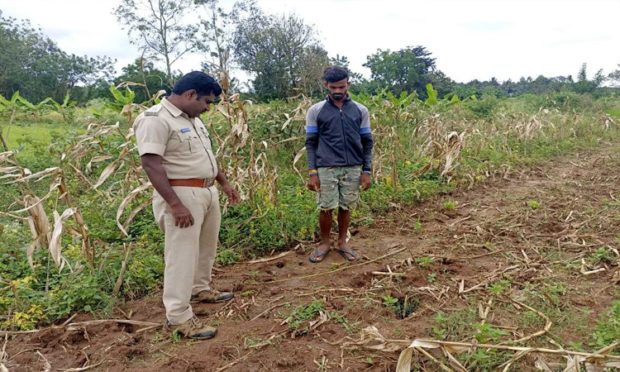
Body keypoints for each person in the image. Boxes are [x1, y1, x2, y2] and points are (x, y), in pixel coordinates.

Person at [133, 71, 240, 339]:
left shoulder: (193, 119)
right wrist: (175, 204)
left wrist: (224, 184)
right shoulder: (155, 119)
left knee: (206, 246)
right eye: (206, 101)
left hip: (206, 191)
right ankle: (179, 316)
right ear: (190, 94)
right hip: (182, 195)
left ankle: (200, 288)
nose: (207, 108)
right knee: (181, 255)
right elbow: (151, 163)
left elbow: (207, 157)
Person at [305, 66, 373, 263]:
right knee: (326, 207)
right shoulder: (316, 111)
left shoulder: (361, 110)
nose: (337, 91)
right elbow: (311, 143)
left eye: (341, 87)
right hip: (326, 167)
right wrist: (312, 172)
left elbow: (367, 142)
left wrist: (366, 170)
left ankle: (342, 242)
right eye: (333, 87)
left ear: (348, 85)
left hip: (353, 167)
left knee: (346, 206)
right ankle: (325, 243)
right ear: (326, 85)